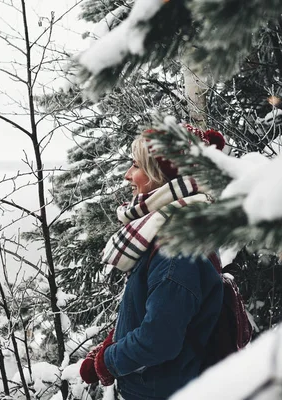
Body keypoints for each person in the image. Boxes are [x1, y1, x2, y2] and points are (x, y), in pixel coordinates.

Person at [79, 125, 226, 400]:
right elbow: (150, 311)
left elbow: (159, 340)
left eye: (136, 166)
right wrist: (110, 345)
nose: (127, 175)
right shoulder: (164, 231)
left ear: (162, 177)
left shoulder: (175, 248)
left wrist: (107, 361)